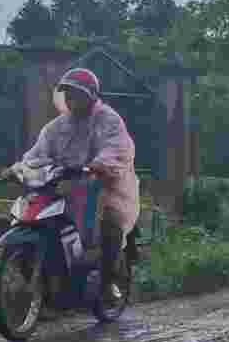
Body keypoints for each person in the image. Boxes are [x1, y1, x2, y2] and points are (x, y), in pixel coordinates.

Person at [9, 67, 138, 288]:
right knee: (37, 218)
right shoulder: (56, 127)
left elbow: (117, 148)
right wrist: (19, 169)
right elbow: (36, 155)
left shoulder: (108, 120)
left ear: (90, 96)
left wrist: (97, 166)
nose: (70, 100)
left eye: (76, 95)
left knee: (110, 224)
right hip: (64, 186)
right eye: (67, 95)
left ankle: (107, 284)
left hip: (104, 187)